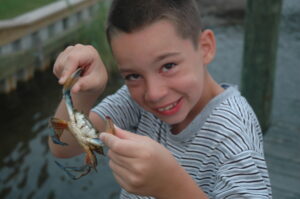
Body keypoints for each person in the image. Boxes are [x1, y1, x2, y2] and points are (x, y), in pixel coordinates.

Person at [49, 0, 272, 198]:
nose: (154, 93)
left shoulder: (234, 132)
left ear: (205, 48)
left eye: (168, 66)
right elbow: (64, 147)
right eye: (133, 75)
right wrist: (80, 90)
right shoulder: (134, 100)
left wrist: (172, 187)